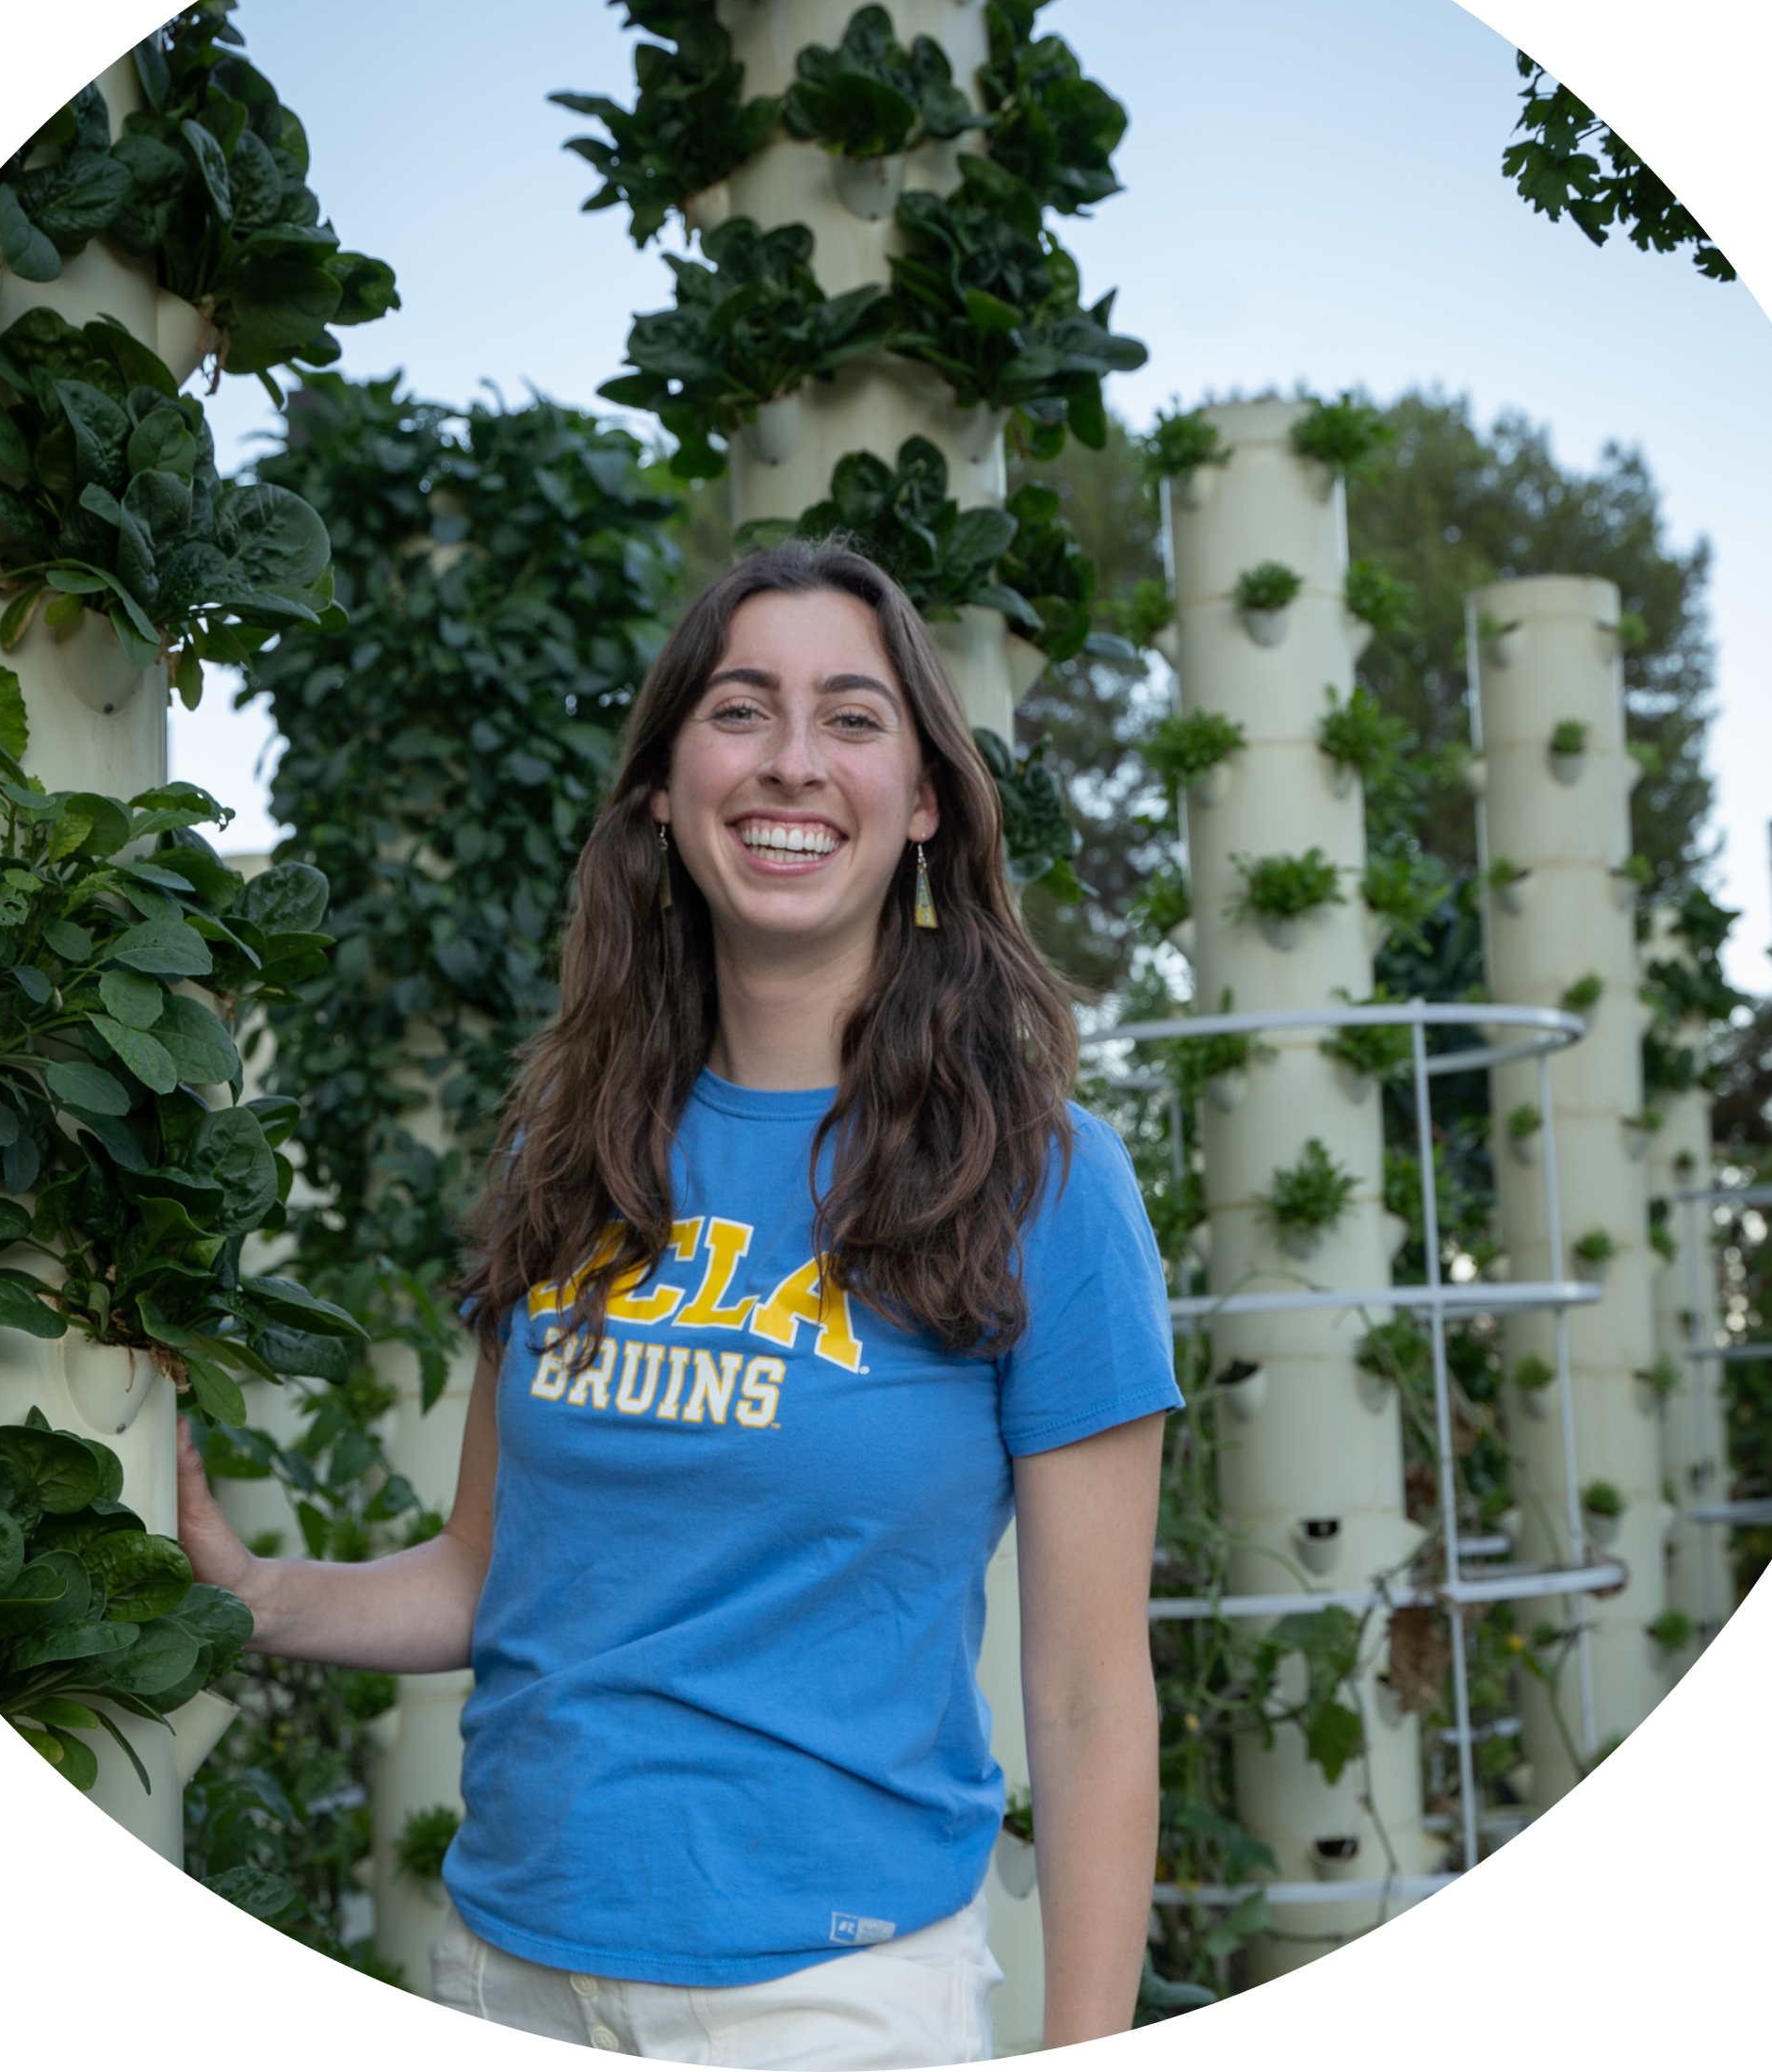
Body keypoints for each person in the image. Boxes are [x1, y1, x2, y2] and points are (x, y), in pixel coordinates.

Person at [176, 542, 1181, 2065]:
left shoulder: (1037, 1176)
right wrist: (252, 1598)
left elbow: (1094, 1695)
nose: (792, 761)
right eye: (739, 709)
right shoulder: (571, 1149)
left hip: (829, 1996)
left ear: (923, 802)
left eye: (853, 718)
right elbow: (486, 1575)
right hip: (508, 1967)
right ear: (661, 786)